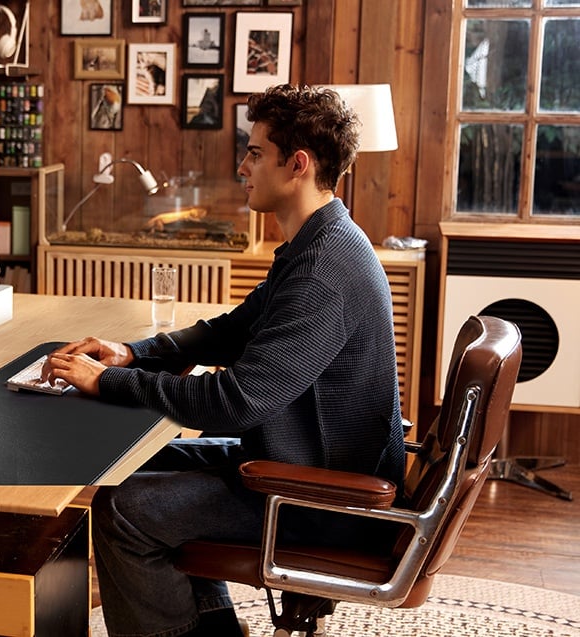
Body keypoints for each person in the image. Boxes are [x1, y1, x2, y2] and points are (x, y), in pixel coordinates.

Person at [41, 84, 406, 637]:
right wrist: (131, 353)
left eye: (256, 153)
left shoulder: (323, 269)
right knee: (127, 477)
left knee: (125, 512)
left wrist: (111, 383)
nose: (242, 166)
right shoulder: (321, 243)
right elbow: (232, 330)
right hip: (303, 467)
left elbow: (233, 402)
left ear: (298, 165)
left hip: (323, 499)